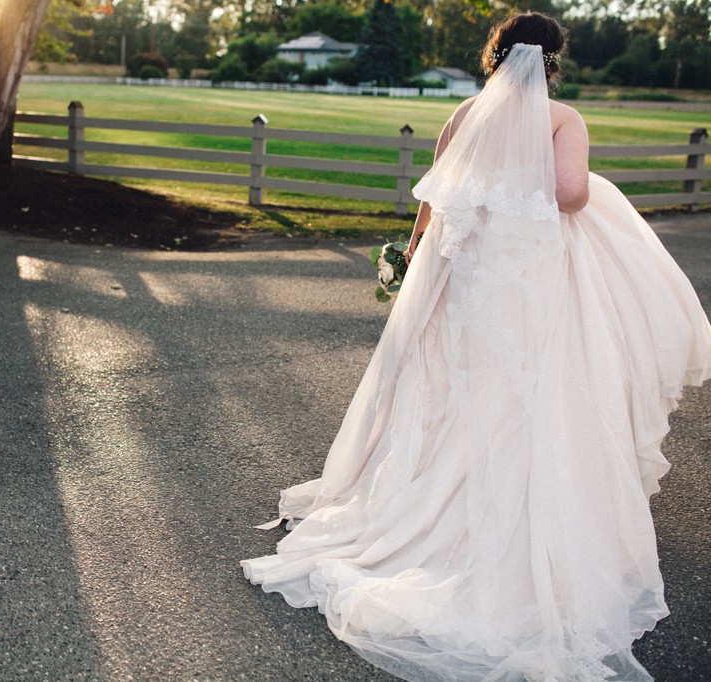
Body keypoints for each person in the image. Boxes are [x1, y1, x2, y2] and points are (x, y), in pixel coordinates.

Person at [241, 12, 711, 681]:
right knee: (533, 392)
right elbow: (574, 194)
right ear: (554, 60)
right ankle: (512, 523)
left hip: (467, 279)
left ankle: (431, 504)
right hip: (529, 280)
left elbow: (431, 201)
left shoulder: (462, 115)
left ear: (495, 54)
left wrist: (408, 257)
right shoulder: (561, 119)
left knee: (450, 389)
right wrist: (526, 184)